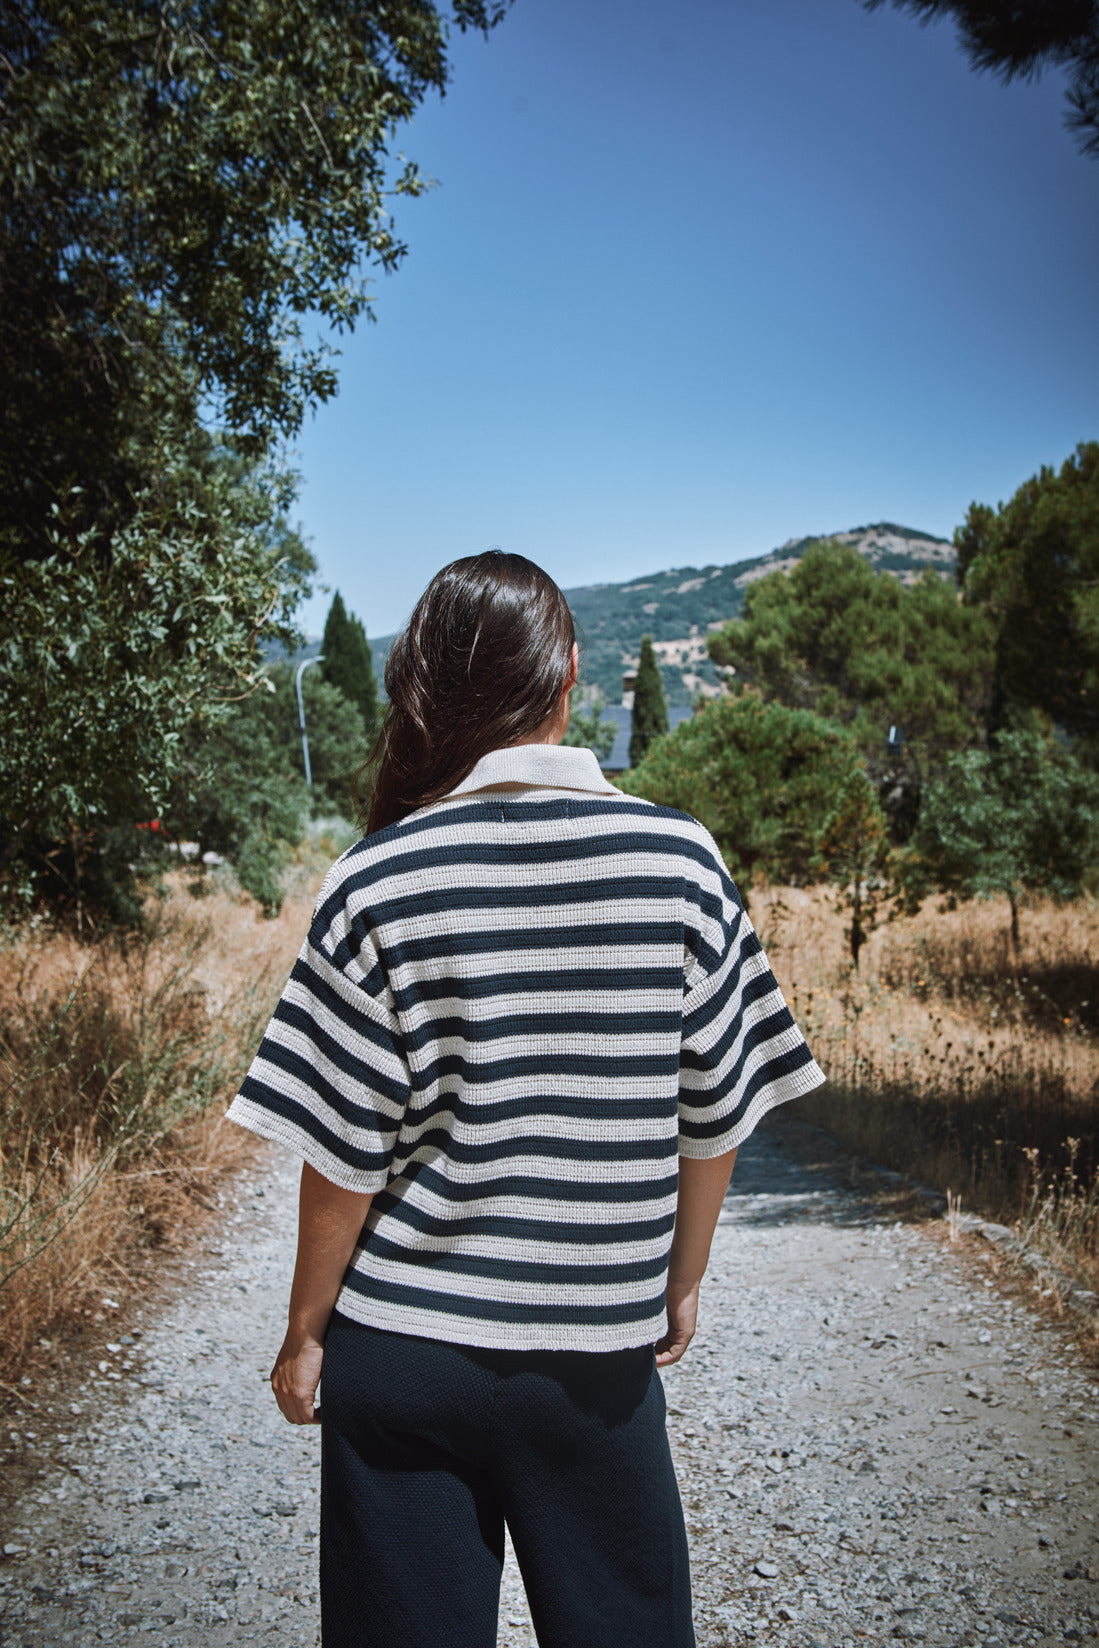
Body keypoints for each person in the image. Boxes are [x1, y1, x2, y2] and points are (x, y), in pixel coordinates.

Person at [226, 551, 825, 1648]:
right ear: (569, 678)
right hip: (593, 1364)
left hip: (400, 1353)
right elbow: (715, 1115)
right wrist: (679, 1280)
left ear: (424, 691)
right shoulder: (681, 862)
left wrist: (304, 1334)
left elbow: (344, 1155)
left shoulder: (374, 876)